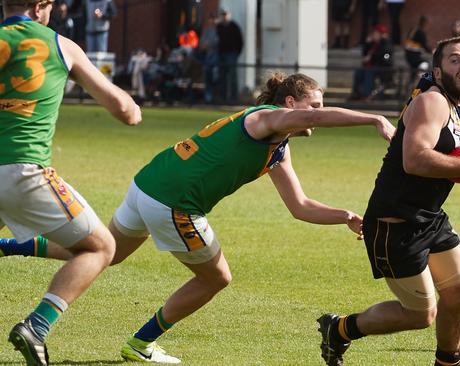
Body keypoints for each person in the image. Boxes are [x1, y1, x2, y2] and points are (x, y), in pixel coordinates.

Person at [1, 72, 396, 363]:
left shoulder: (277, 148)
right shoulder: (265, 119)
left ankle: (6, 246)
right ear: (289, 104)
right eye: (313, 106)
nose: (319, 114)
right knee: (217, 277)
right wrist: (374, 119)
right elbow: (315, 122)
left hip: (147, 185)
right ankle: (141, 343)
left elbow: (299, 205)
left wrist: (343, 215)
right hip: (173, 203)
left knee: (106, 252)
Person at [317, 36, 460, 366]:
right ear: (438, 70)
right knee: (420, 315)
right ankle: (340, 329)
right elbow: (414, 160)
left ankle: (449, 363)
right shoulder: (433, 102)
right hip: (395, 225)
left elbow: (458, 146)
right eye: (455, 60)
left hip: (429, 216)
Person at [0, 1, 141, 365]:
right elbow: (124, 111)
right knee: (102, 248)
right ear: (40, 5)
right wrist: (133, 106)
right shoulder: (61, 45)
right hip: (23, 171)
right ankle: (37, 327)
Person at [216, 8, 243, 104]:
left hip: (232, 54)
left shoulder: (234, 26)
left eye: (225, 14)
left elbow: (240, 41)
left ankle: (233, 99)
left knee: (232, 77)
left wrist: (236, 53)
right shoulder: (218, 26)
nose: (224, 16)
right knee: (222, 77)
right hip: (221, 54)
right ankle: (222, 98)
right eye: (222, 14)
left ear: (229, 15)